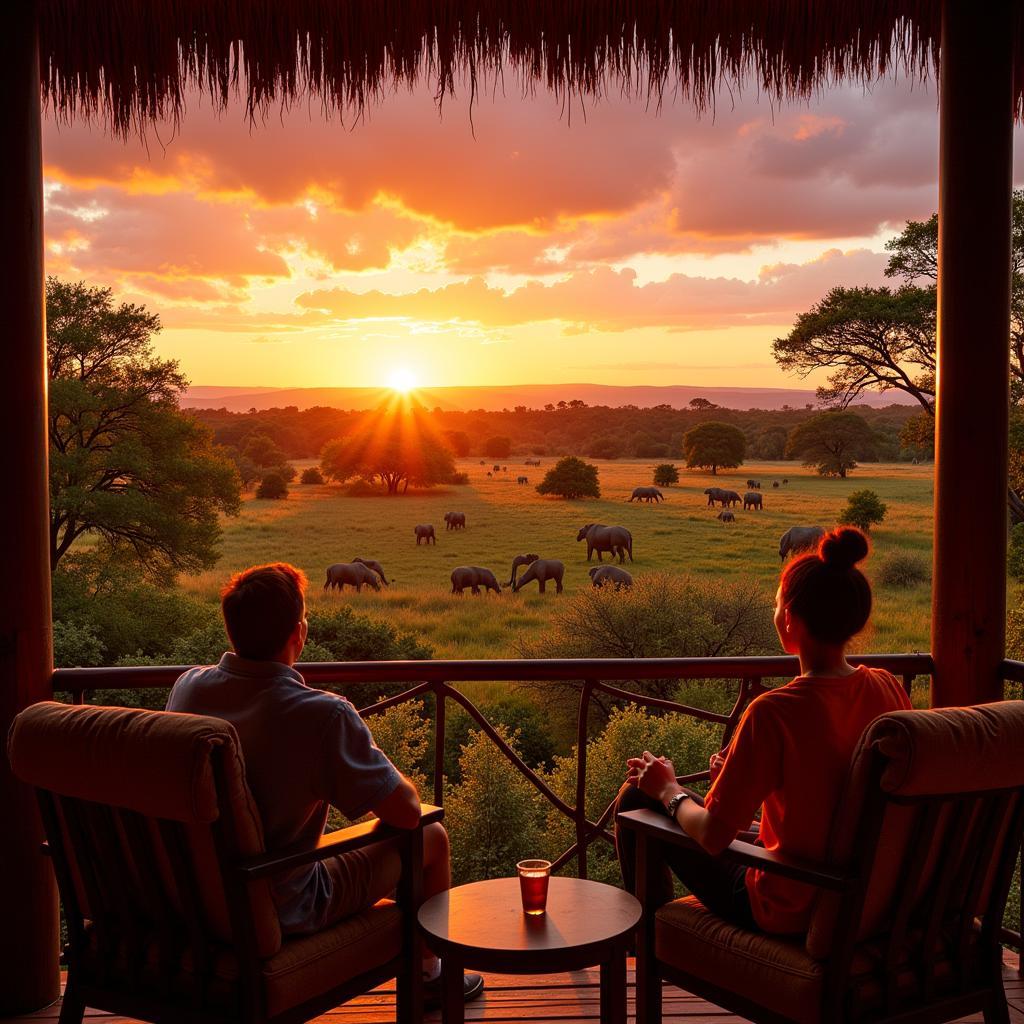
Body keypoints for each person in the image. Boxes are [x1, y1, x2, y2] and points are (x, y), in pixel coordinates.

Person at [166, 562, 483, 1005]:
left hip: (190, 895)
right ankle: (429, 973)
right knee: (431, 834)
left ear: (231, 629)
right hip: (281, 903)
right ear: (299, 633)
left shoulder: (187, 688)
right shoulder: (321, 714)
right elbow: (404, 813)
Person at [615, 527, 912, 934]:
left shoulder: (774, 712)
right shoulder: (887, 686)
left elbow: (714, 837)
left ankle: (648, 947)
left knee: (636, 797)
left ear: (789, 619)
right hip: (869, 897)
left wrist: (667, 788)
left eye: (775, 603)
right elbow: (831, 802)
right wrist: (738, 785)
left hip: (790, 904)